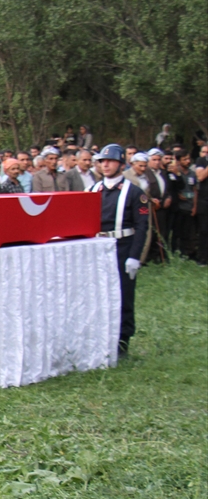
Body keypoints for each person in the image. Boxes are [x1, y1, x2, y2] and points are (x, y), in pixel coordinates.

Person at [91, 144, 148, 354]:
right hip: (98, 248)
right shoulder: (92, 189)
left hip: (123, 246)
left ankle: (123, 341)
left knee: (124, 295)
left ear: (121, 164)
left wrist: (135, 256)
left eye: (110, 161)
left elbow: (142, 225)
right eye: (102, 161)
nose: (105, 165)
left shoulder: (134, 192)